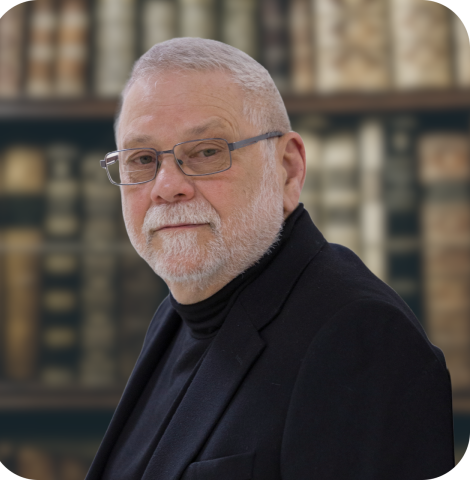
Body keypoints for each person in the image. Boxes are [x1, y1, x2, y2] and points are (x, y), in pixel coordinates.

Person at [86, 38, 454, 480]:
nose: (167, 186)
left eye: (206, 152)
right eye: (142, 159)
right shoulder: (176, 315)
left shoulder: (362, 337)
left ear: (288, 168)